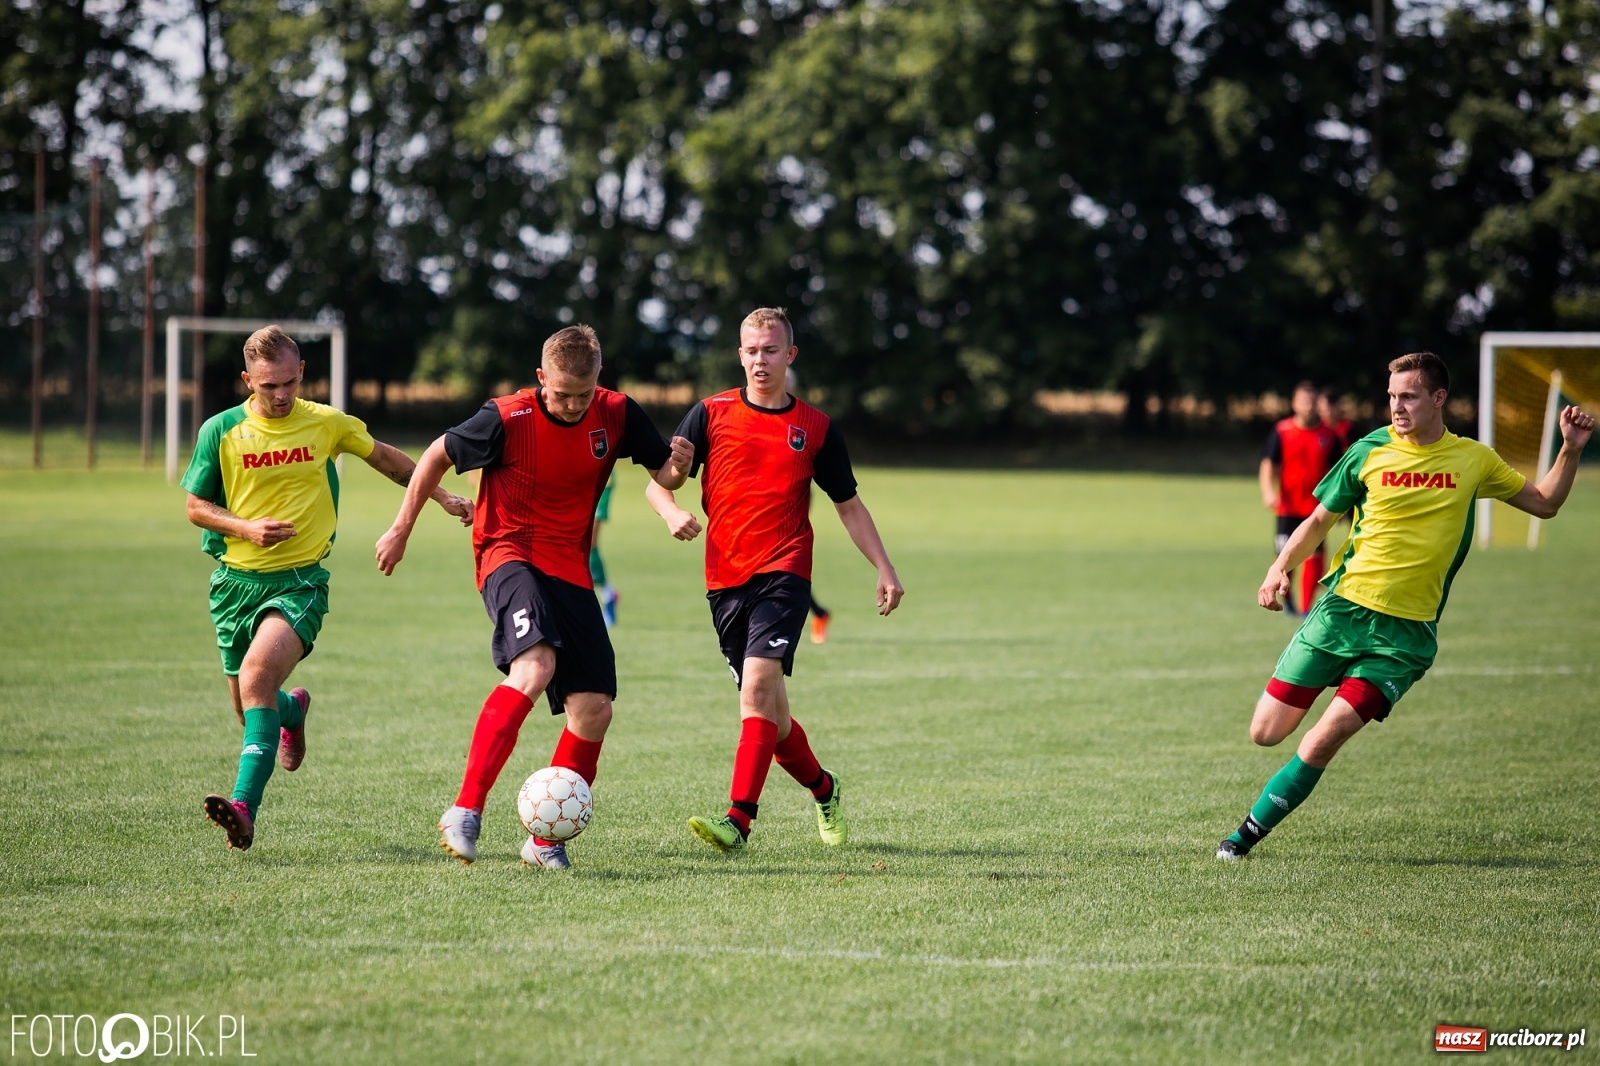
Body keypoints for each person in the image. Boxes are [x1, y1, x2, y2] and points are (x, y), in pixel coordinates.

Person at [1218, 351, 1594, 861]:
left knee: (1326, 736)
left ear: (1439, 398)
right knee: (1265, 732)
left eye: (1409, 396)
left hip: (1403, 638)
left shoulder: (1474, 460)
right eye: (1392, 396)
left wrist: (1569, 449)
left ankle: (1241, 839)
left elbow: (1545, 503)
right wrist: (1278, 566)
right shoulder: (1369, 450)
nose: (1397, 406)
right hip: (1341, 613)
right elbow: (1319, 520)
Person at [376, 325, 692, 870]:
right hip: (509, 553)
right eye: (562, 393)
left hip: (570, 566)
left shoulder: (616, 412)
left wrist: (679, 469)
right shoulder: (506, 417)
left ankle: (545, 841)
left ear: (599, 379)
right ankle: (465, 810)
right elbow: (435, 456)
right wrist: (402, 528)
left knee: (594, 709)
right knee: (536, 664)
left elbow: (663, 473)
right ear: (542, 377)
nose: (573, 405)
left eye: (584, 394)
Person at [183, 325, 473, 851]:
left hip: (300, 582)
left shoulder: (325, 423)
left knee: (255, 678)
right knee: (250, 707)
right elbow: (195, 507)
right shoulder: (220, 430)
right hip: (233, 585)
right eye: (268, 386)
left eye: (289, 382)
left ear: (302, 373)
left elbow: (386, 459)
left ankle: (243, 809)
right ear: (247, 380)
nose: (281, 395)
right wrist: (245, 528)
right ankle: (293, 711)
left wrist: (442, 496)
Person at [646, 307, 904, 854]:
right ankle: (825, 788)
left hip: (785, 571)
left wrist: (884, 567)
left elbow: (849, 505)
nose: (760, 360)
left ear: (790, 354)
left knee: (757, 691)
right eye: (751, 350)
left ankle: (737, 820)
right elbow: (660, 482)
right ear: (739, 354)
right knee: (774, 717)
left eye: (770, 350)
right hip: (724, 578)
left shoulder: (815, 428)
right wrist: (671, 509)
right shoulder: (709, 413)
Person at [1259, 382, 1343, 616]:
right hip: (1287, 508)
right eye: (1303, 400)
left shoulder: (1329, 435)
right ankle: (1288, 602)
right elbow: (1268, 464)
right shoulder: (1282, 431)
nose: (1308, 405)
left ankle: (1306, 608)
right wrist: (1268, 492)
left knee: (1314, 558)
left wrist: (1339, 502)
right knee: (1285, 557)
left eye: (1312, 401)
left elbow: (1338, 471)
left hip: (1316, 509)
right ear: (1294, 403)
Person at [590, 473, 619, 627]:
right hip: (580, 481)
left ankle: (607, 594)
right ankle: (608, 593)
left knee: (589, 542)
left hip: (602, 482)